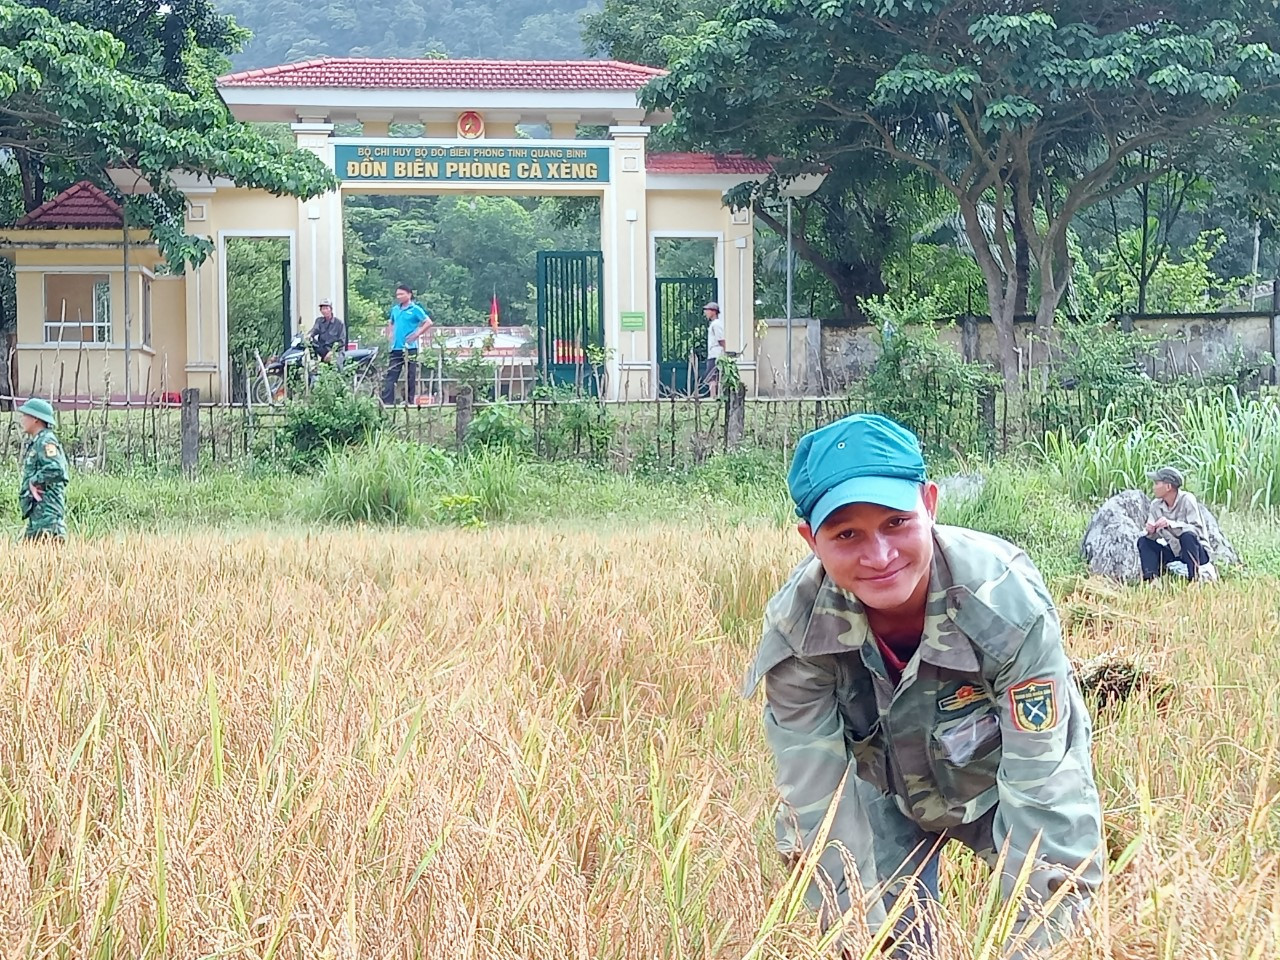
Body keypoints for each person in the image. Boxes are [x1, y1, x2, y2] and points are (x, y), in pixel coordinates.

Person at [745, 413, 1103, 959]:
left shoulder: (1005, 604)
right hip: (884, 788)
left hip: (996, 773)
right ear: (810, 541)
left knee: (1049, 910)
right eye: (847, 535)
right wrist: (854, 932)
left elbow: (1042, 788)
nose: (880, 556)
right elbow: (817, 800)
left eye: (895, 523)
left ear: (929, 505)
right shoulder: (799, 633)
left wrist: (1032, 943)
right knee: (886, 944)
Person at [1138, 466, 1217, 583]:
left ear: (1168, 486)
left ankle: (1194, 580)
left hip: (1196, 552)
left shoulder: (1187, 500)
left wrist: (1170, 524)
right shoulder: (1155, 505)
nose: (1153, 487)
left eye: (1156, 483)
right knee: (1143, 541)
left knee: (1187, 536)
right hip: (1174, 551)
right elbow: (1153, 536)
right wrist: (1151, 531)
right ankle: (1151, 581)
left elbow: (1196, 530)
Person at [16, 398, 69, 542]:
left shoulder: (46, 441)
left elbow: (57, 469)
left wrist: (34, 481)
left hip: (48, 516)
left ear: (35, 419)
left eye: (25, 416)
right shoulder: (38, 441)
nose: (22, 420)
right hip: (38, 515)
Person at [381, 284, 433, 405]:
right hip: (396, 347)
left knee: (411, 375)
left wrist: (417, 334)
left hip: (410, 347)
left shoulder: (415, 309)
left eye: (401, 294)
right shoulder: (395, 309)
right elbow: (391, 321)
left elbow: (428, 322)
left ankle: (409, 401)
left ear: (409, 295)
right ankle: (387, 401)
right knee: (391, 374)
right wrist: (390, 334)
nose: (399, 297)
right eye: (397, 294)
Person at [309, 299, 346, 365]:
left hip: (335, 351)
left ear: (331, 309)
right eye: (323, 309)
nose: (324, 311)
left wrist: (332, 352)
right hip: (323, 350)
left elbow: (342, 341)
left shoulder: (339, 323)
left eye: (326, 308)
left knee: (337, 365)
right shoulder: (319, 321)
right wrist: (308, 336)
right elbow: (314, 330)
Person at [703, 301, 726, 398]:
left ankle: (713, 395)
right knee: (712, 376)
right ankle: (714, 395)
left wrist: (724, 350)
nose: (706, 312)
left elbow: (721, 339)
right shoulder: (714, 324)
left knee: (712, 376)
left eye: (707, 310)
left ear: (713, 312)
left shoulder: (716, 324)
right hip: (713, 353)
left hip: (715, 354)